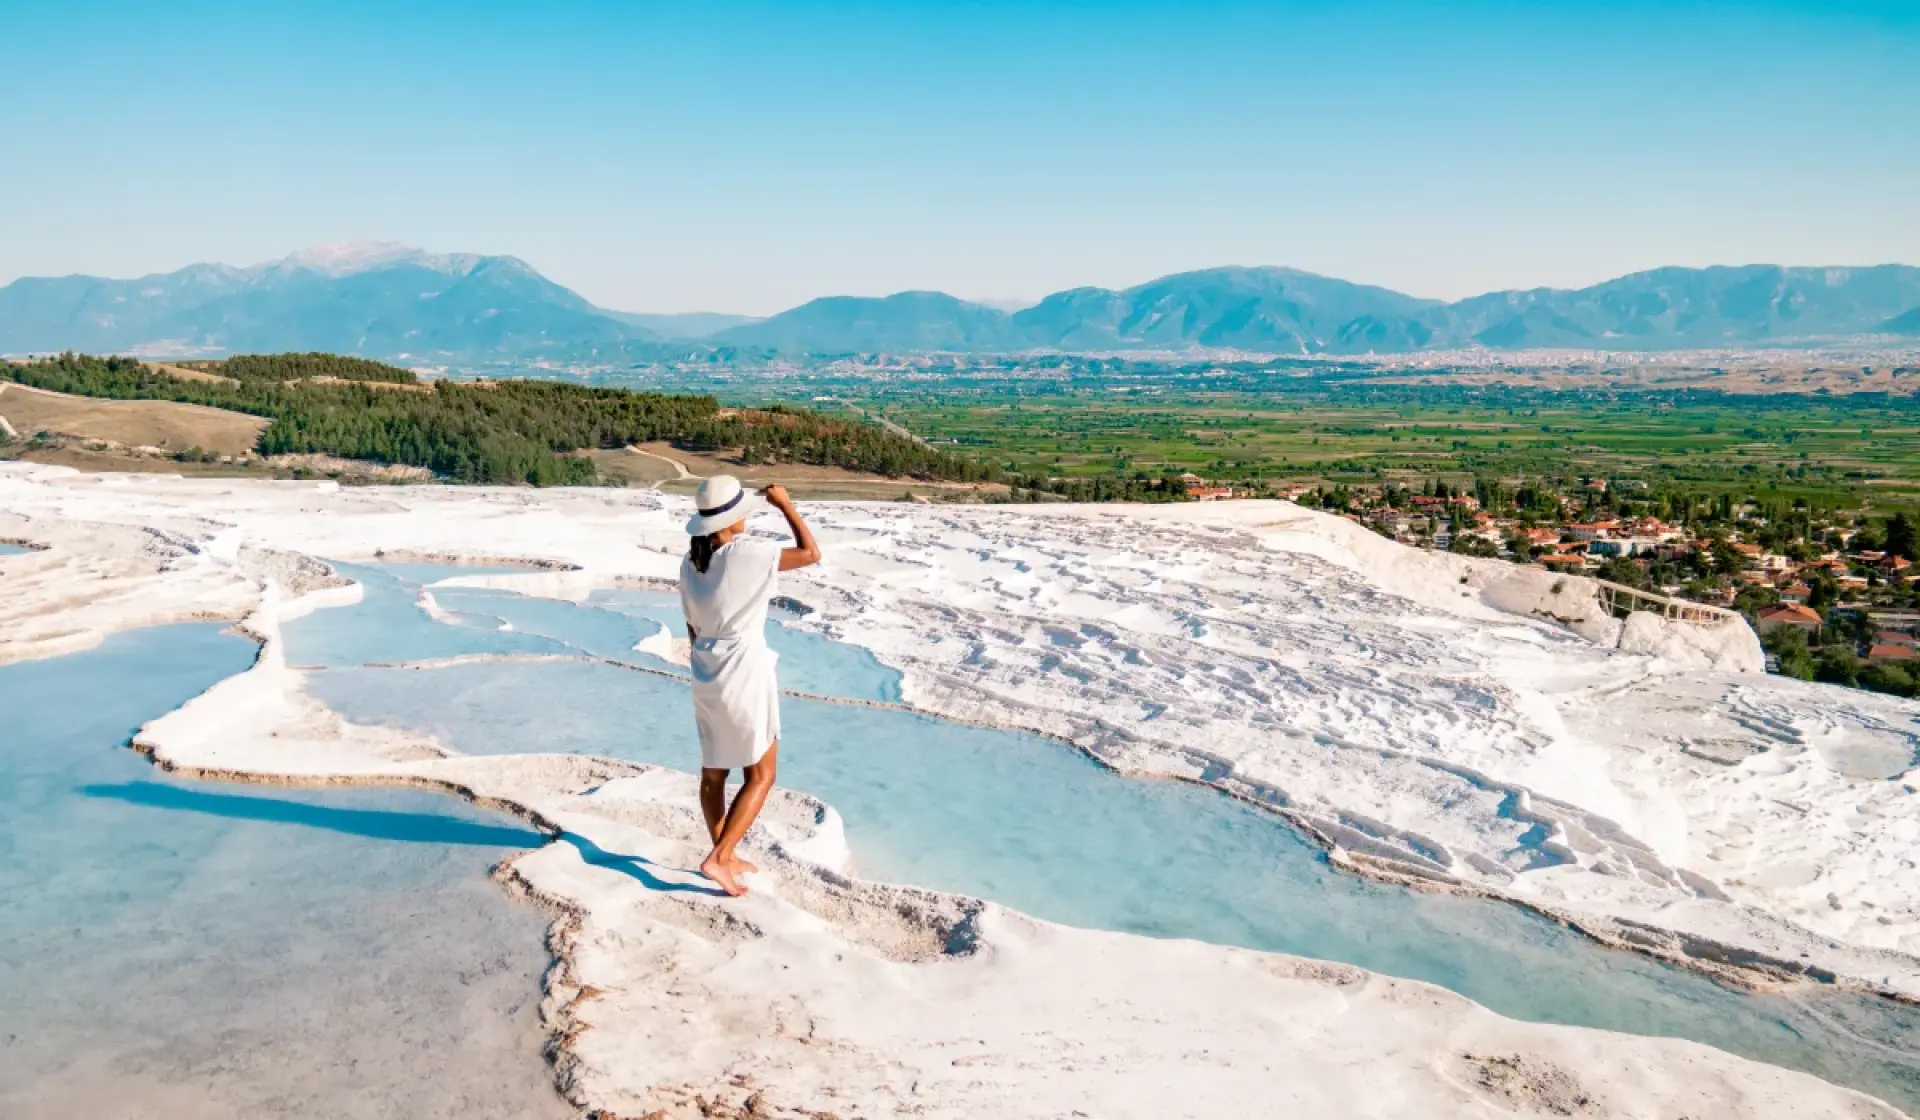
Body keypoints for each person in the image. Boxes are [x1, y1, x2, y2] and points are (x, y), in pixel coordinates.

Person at [678, 475, 820, 896]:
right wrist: (786, 504)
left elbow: (690, 627)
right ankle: (719, 858)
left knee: (714, 771)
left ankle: (724, 852)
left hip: (706, 669)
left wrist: (708, 662)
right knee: (761, 773)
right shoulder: (747, 554)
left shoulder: (690, 563)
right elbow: (811, 553)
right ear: (734, 517)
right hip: (744, 668)